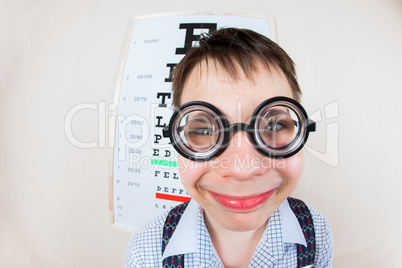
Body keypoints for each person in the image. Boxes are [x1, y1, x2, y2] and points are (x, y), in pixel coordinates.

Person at [124, 27, 333, 268]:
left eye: (274, 126)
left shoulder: (317, 232)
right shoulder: (145, 251)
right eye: (203, 131)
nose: (241, 170)